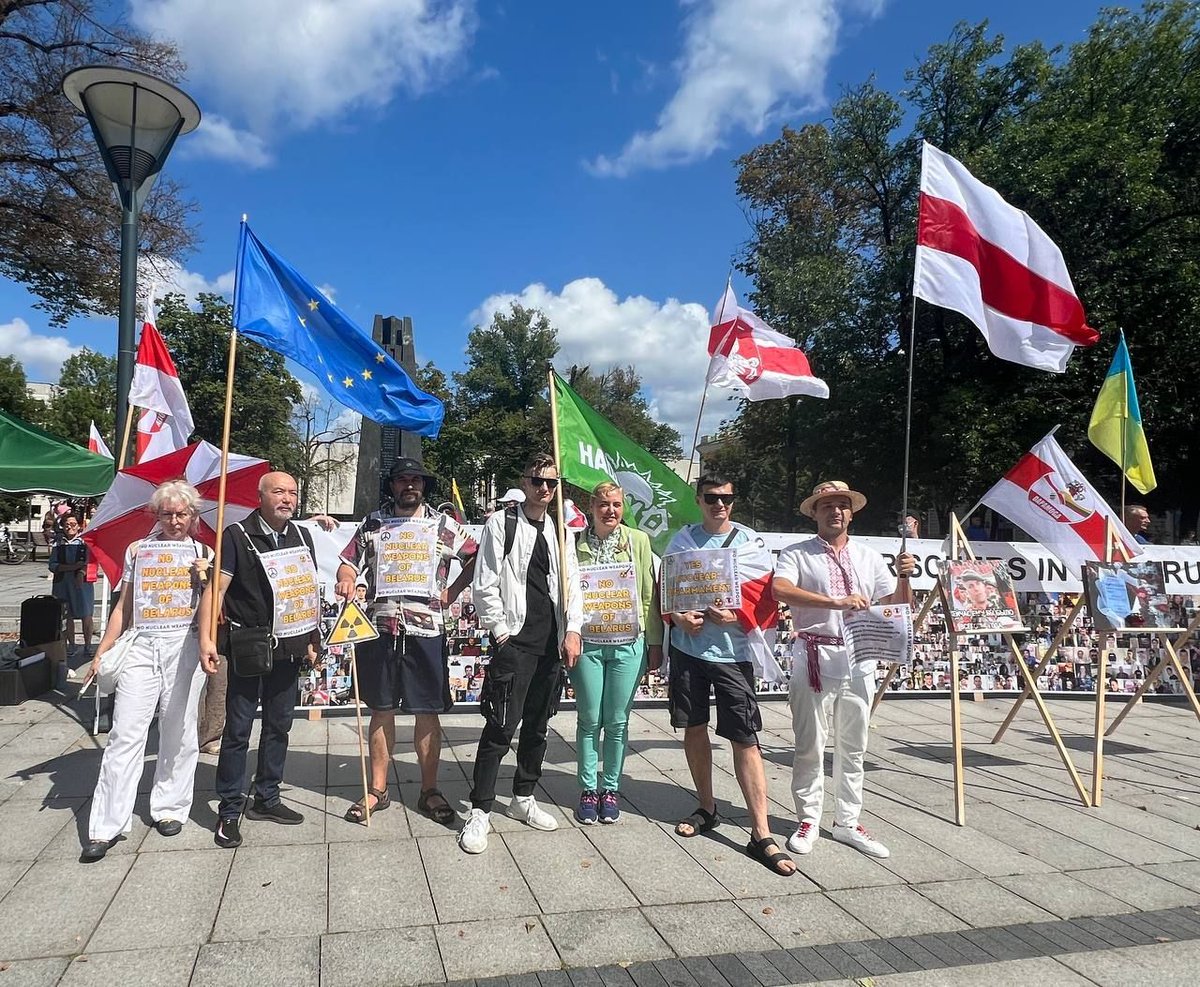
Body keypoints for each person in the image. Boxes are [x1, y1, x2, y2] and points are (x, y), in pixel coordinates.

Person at [773, 480, 915, 860]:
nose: (835, 511)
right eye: (826, 505)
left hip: (859, 656)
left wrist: (905, 576)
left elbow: (896, 606)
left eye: (841, 505)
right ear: (814, 513)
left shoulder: (868, 556)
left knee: (854, 746)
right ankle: (808, 817)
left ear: (851, 512)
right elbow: (780, 590)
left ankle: (849, 821)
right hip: (815, 654)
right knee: (810, 743)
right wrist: (834, 602)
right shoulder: (798, 553)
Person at [665, 474, 795, 877]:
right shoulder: (681, 542)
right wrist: (678, 617)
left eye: (727, 499)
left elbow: (765, 595)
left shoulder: (749, 543)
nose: (720, 505)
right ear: (698, 499)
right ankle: (707, 807)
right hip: (689, 651)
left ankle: (761, 832)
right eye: (712, 498)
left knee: (745, 738)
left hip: (733, 656)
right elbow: (666, 592)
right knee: (693, 728)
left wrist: (735, 615)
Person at [334, 457, 475, 826]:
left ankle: (429, 789)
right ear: (392, 485)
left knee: (427, 710)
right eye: (401, 480)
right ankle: (377, 789)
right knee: (381, 708)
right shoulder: (375, 522)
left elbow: (476, 556)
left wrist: (453, 591)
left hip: (426, 628)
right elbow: (349, 561)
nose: (409, 485)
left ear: (424, 486)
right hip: (381, 626)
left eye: (416, 480)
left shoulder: (443, 525)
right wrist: (347, 578)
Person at [80, 481, 214, 862]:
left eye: (182, 514)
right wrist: (102, 650)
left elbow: (209, 612)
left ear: (193, 516)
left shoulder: (203, 553)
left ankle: (170, 807)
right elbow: (123, 606)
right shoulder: (138, 551)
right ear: (156, 515)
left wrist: (204, 582)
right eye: (168, 513)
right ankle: (106, 825)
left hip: (183, 645)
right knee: (126, 732)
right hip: (142, 643)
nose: (175, 520)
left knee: (180, 729)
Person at [459, 452, 583, 854]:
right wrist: (500, 635)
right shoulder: (503, 522)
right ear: (525, 482)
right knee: (499, 727)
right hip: (516, 641)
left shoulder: (561, 529)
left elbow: (573, 582)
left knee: (538, 727)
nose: (544, 489)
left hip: (552, 643)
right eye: (537, 481)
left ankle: (523, 796)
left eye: (551, 482)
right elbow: (485, 581)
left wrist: (574, 630)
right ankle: (480, 810)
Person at [199, 472, 322, 849]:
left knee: (279, 725)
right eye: (279, 491)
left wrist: (312, 639)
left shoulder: (302, 536)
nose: (287, 498)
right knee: (237, 731)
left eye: (293, 492)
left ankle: (267, 796)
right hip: (248, 645)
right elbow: (215, 590)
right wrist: (206, 639)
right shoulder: (237, 535)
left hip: (288, 646)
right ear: (261, 496)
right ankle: (230, 809)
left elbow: (306, 591)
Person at [570, 481, 663, 824]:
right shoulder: (574, 543)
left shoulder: (637, 541)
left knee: (618, 721)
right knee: (589, 719)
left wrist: (655, 642)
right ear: (591, 506)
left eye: (617, 504)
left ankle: (610, 787)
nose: (611, 510)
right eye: (604, 504)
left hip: (628, 643)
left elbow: (649, 594)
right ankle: (588, 788)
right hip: (589, 644)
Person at [49, 514, 95, 656]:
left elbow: (90, 561)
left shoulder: (85, 541)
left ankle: (88, 646)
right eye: (67, 524)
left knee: (86, 614)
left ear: (79, 525)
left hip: (82, 583)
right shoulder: (58, 543)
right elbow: (53, 565)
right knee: (66, 614)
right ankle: (72, 645)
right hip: (62, 583)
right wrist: (73, 567)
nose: (70, 527)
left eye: (73, 524)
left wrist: (81, 571)